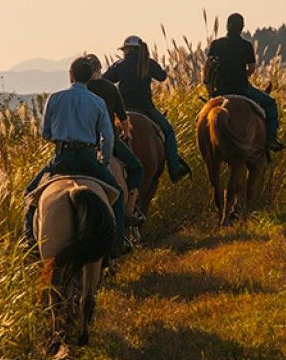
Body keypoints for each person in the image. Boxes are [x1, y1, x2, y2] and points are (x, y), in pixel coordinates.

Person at [24, 57, 132, 255]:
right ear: (89, 77)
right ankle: (118, 242)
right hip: (88, 158)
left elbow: (45, 134)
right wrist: (104, 161)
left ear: (71, 75)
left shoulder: (55, 98)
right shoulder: (97, 102)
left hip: (61, 159)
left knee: (30, 192)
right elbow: (107, 137)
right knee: (117, 193)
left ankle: (29, 239)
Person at [104, 35, 191, 182]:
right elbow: (162, 76)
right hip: (146, 108)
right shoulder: (147, 63)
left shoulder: (119, 65)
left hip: (123, 109)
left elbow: (105, 80)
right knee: (168, 131)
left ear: (128, 49)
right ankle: (174, 168)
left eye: (124, 50)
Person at [203, 13, 285, 152]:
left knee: (202, 117)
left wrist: (208, 86)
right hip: (242, 88)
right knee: (271, 104)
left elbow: (207, 67)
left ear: (227, 26)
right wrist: (241, 75)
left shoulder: (216, 44)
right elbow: (251, 69)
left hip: (220, 90)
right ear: (242, 28)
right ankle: (271, 139)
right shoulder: (246, 45)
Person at [83, 53, 146, 223]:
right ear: (100, 68)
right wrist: (126, 132)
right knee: (137, 168)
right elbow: (122, 117)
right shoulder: (110, 88)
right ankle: (129, 209)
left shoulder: (82, 89)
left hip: (84, 143)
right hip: (109, 141)